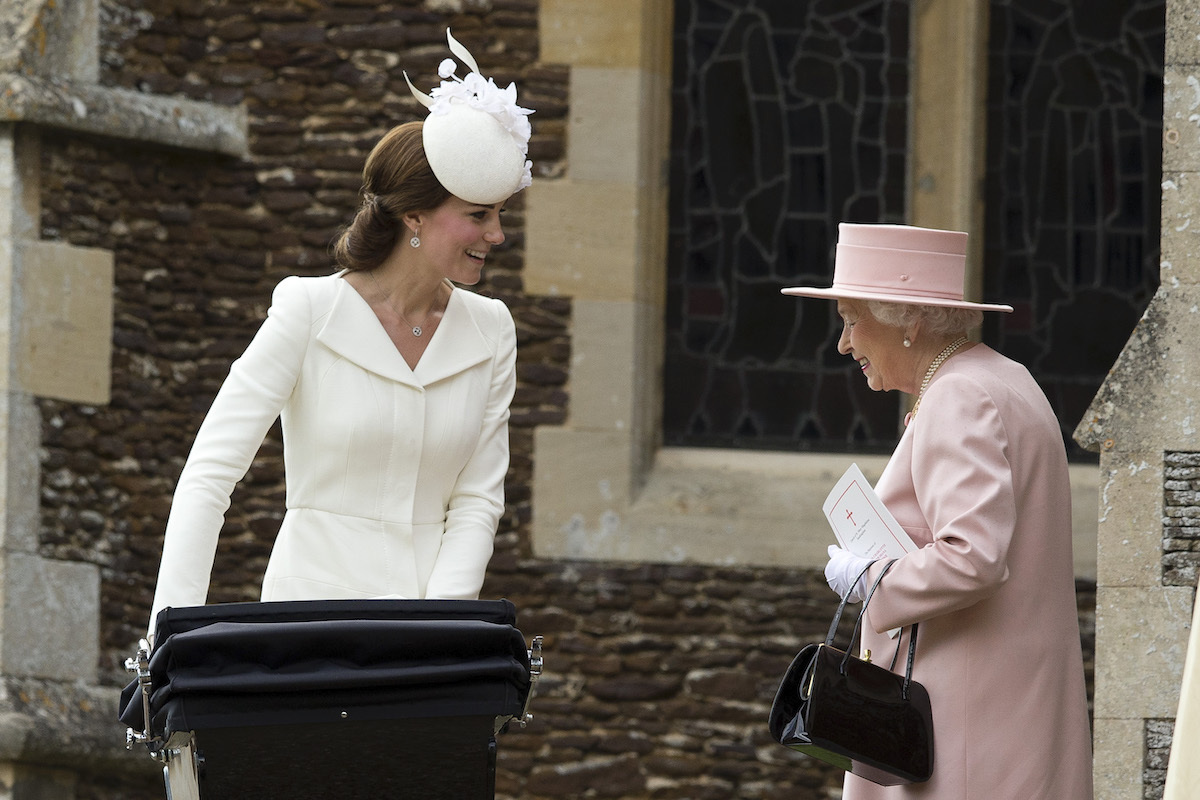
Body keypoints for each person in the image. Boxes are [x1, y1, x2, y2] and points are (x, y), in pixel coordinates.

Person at [145, 29, 531, 637]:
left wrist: (439, 633)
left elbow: (478, 502)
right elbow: (210, 475)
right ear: (414, 216)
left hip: (430, 640)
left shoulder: (492, 330)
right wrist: (167, 647)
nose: (498, 235)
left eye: (501, 214)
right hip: (304, 629)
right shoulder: (308, 309)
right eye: (479, 215)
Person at [781, 223, 1093, 799]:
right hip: (1002, 708)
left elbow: (971, 558)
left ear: (910, 321)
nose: (844, 344)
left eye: (851, 319)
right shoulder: (1004, 378)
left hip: (966, 725)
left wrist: (870, 581)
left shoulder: (960, 395)